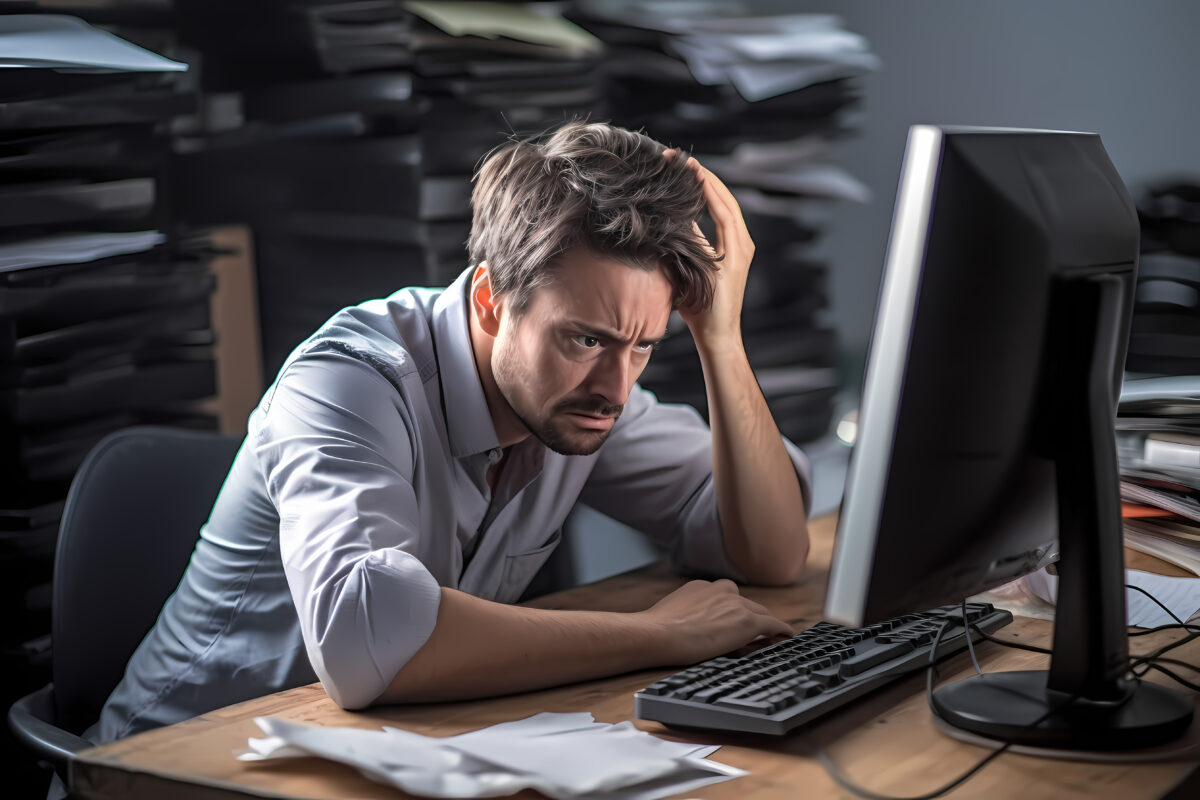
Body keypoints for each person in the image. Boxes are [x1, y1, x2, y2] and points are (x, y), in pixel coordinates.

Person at [85, 120, 812, 745]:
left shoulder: (579, 392)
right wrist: (660, 636)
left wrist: (721, 339)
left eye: (644, 346)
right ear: (494, 299)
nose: (617, 389)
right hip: (168, 769)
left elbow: (772, 552)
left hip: (362, 759)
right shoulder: (347, 382)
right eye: (586, 340)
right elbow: (368, 638)